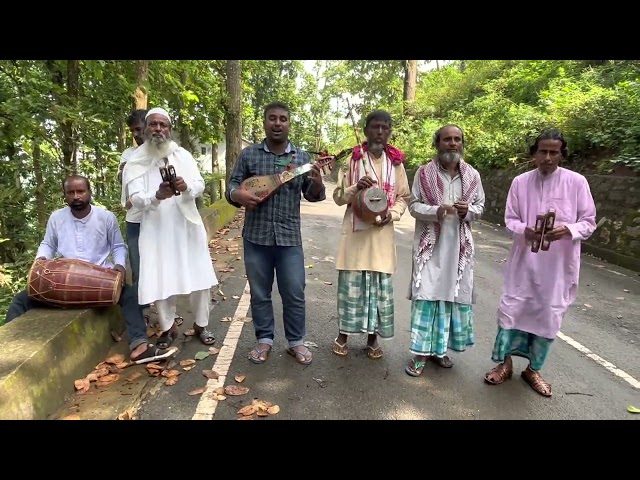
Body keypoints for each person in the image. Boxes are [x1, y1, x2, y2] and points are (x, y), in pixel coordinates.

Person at [4, 175, 176, 364]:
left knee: (131, 294)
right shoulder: (56, 218)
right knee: (22, 299)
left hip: (100, 281)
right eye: (71, 192)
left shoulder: (105, 217)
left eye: (80, 191)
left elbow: (118, 246)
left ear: (89, 192)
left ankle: (139, 347)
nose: (76, 196)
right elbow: (47, 243)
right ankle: (6, 346)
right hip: (64, 283)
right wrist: (40, 262)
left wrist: (119, 266)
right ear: (65, 195)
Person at [483, 128, 596, 397]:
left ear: (561, 155)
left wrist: (567, 229)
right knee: (511, 310)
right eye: (542, 151)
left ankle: (533, 370)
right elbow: (510, 219)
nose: (547, 157)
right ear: (534, 153)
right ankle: (505, 364)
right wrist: (525, 230)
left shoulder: (577, 182)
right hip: (524, 262)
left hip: (557, 267)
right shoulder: (520, 182)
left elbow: (588, 222)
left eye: (553, 152)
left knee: (548, 315)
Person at [225, 101, 325, 365]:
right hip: (256, 237)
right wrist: (238, 195)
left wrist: (316, 184)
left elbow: (312, 196)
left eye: (283, 119)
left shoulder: (301, 158)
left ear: (289, 123)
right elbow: (232, 187)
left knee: (294, 291)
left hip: (289, 238)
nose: (278, 123)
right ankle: (264, 340)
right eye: (272, 118)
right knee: (260, 293)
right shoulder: (249, 155)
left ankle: (296, 342)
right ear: (264, 122)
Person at [122, 107, 218, 349]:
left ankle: (201, 325)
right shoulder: (135, 161)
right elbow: (134, 199)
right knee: (160, 278)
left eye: (163, 125)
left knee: (201, 276)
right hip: (156, 227)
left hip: (187, 224)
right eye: (153, 124)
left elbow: (199, 184)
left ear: (169, 129)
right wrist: (156, 196)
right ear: (145, 129)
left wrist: (186, 186)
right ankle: (167, 328)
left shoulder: (182, 155)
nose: (158, 129)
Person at [405, 124, 485, 376]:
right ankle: (420, 354)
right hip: (430, 247)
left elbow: (480, 206)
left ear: (462, 144)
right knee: (427, 296)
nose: (452, 143)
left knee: (450, 297)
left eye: (457, 139)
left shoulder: (472, 176)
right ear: (437, 143)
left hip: (458, 251)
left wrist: (468, 211)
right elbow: (413, 205)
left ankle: (439, 351)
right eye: (447, 139)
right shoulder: (423, 173)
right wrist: (435, 210)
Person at [331, 109, 410, 359]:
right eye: (375, 127)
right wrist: (356, 187)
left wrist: (393, 214)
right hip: (355, 236)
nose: (379, 132)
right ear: (365, 130)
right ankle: (343, 335)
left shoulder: (396, 163)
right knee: (351, 289)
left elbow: (403, 197)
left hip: (381, 236)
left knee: (378, 290)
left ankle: (372, 339)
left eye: (385, 128)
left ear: (389, 132)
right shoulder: (353, 160)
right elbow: (338, 197)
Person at [118, 109, 183, 327]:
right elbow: (125, 182)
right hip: (136, 219)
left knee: (164, 266)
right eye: (135, 130)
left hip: (159, 219)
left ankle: (167, 318)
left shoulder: (165, 152)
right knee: (140, 268)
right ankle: (142, 314)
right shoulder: (129, 156)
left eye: (139, 128)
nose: (137, 133)